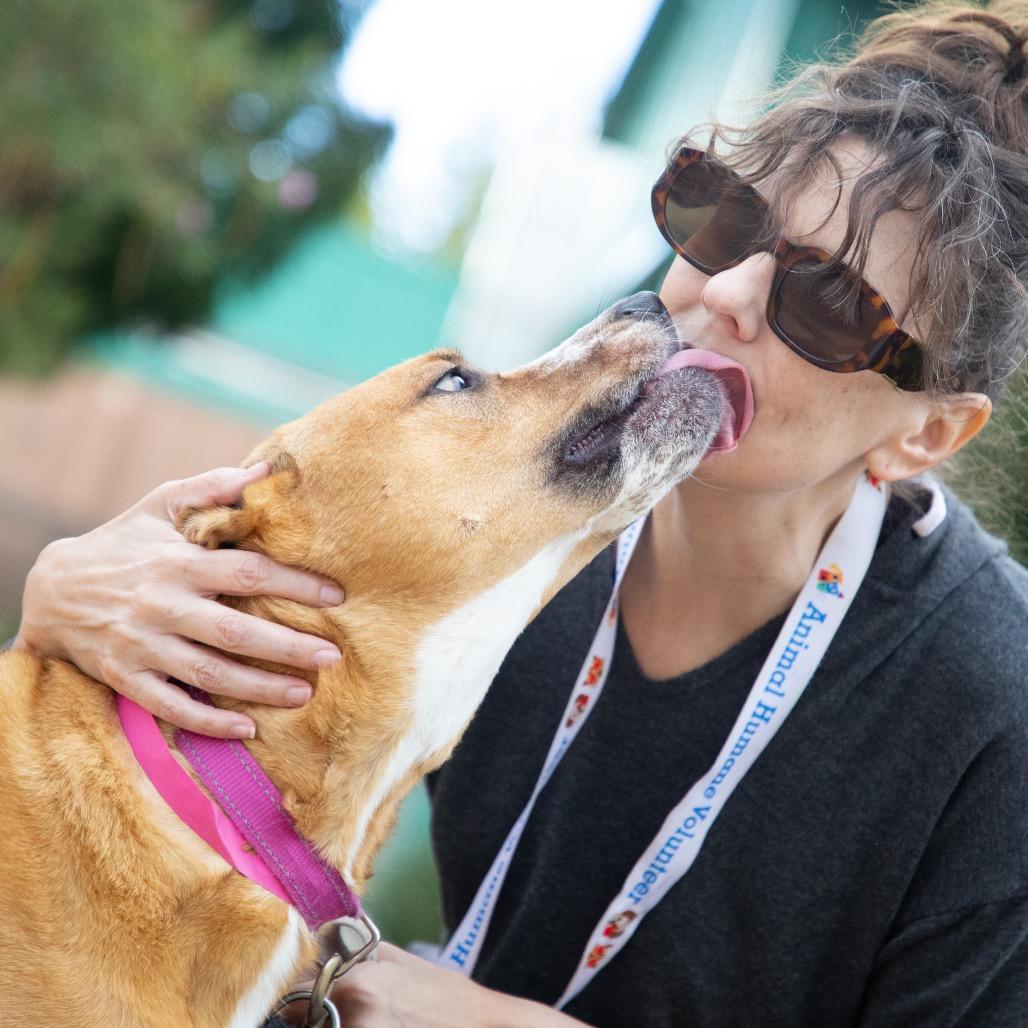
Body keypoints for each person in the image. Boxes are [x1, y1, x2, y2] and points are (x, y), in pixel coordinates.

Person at [11, 2, 1028, 1025]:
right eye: (727, 222)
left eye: (833, 304)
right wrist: (62, 596)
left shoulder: (996, 709)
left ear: (925, 435)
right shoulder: (527, 495)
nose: (728, 296)